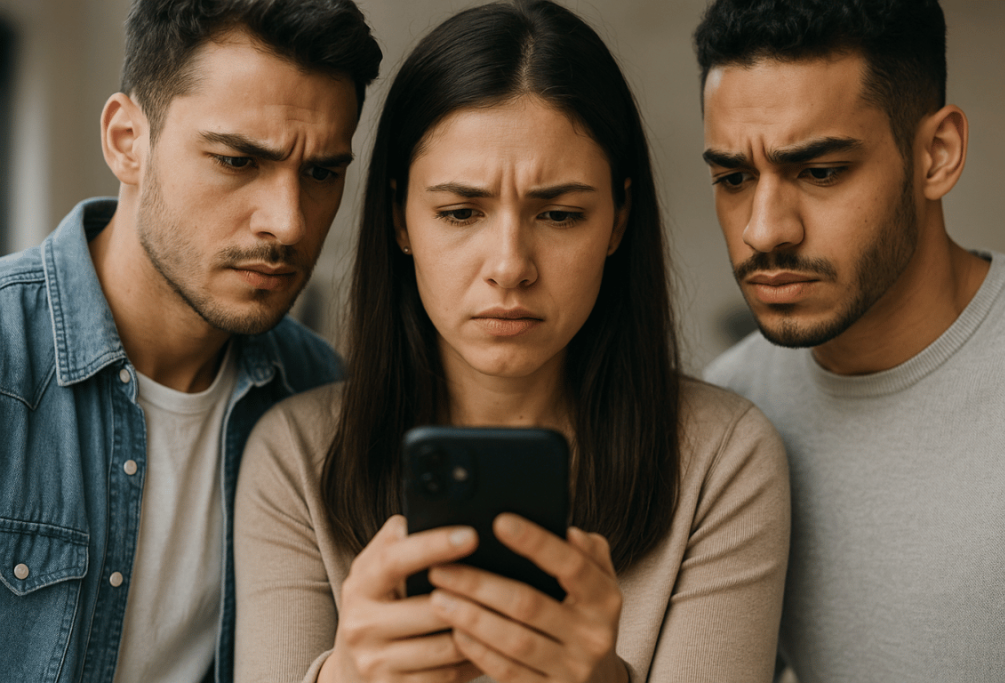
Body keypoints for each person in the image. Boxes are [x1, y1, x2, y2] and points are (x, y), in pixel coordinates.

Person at [233, 1, 790, 682]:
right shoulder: (294, 457)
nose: (509, 265)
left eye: (559, 214)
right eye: (461, 211)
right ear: (399, 219)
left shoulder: (723, 458)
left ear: (618, 220)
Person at [0, 1, 381, 681]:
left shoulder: (318, 401)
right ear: (126, 140)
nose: (288, 223)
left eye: (322, 172)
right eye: (238, 160)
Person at [696, 0, 1005, 680]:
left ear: (936, 154)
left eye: (820, 172)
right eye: (734, 177)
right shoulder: (728, 413)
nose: (764, 230)